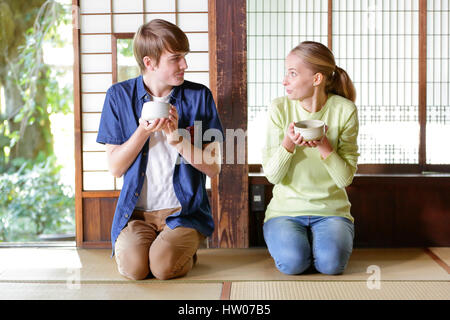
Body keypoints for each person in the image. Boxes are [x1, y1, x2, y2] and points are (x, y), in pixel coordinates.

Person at [96, 19, 223, 280]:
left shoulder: (199, 96)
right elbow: (115, 167)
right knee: (135, 269)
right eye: (175, 58)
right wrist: (143, 130)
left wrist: (178, 140)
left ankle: (180, 249)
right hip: (137, 215)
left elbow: (213, 167)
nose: (185, 65)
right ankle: (160, 248)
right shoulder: (118, 97)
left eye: (184, 57)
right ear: (149, 63)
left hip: (182, 213)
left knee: (163, 268)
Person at [261, 41, 359, 275]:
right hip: (285, 211)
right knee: (293, 264)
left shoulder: (344, 110)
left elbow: (345, 179)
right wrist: (288, 143)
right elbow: (273, 175)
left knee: (331, 265)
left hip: (331, 211)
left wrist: (324, 145)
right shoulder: (280, 108)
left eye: (292, 74)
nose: (285, 80)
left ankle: (322, 243)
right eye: (287, 73)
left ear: (316, 79)